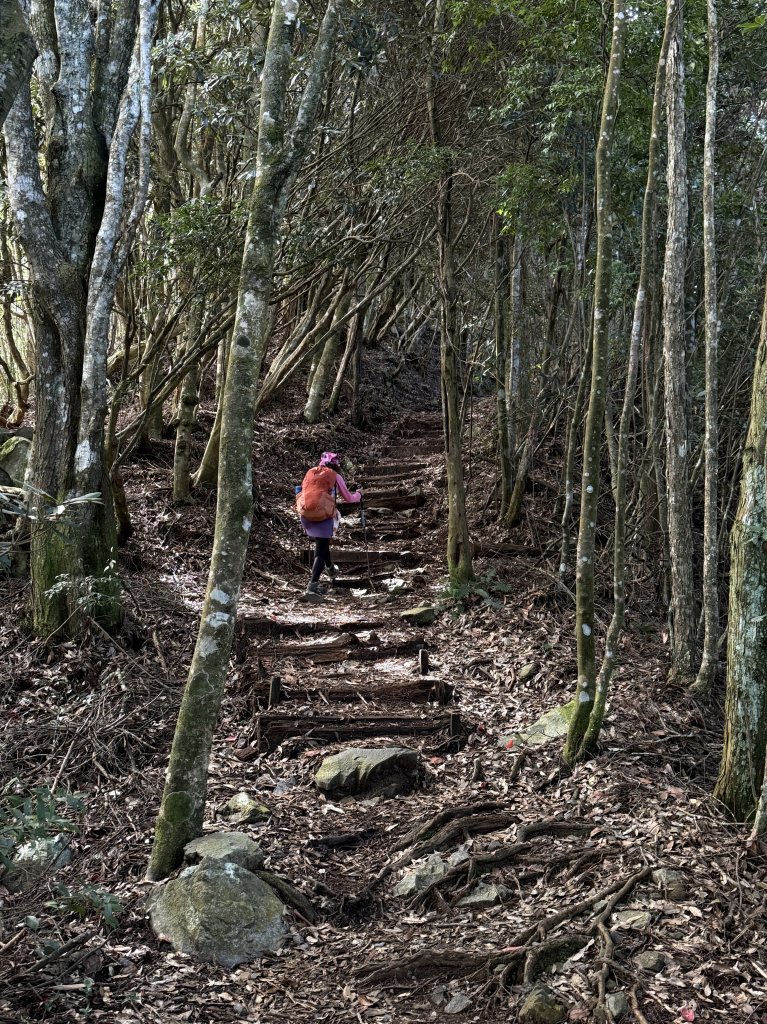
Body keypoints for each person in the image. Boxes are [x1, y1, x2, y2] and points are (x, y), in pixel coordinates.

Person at [298, 452, 362, 597]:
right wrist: (359, 494)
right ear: (336, 464)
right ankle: (312, 586)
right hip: (323, 515)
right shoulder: (335, 476)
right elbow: (349, 498)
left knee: (322, 544)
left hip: (306, 514)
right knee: (320, 551)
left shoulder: (310, 472)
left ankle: (331, 568)